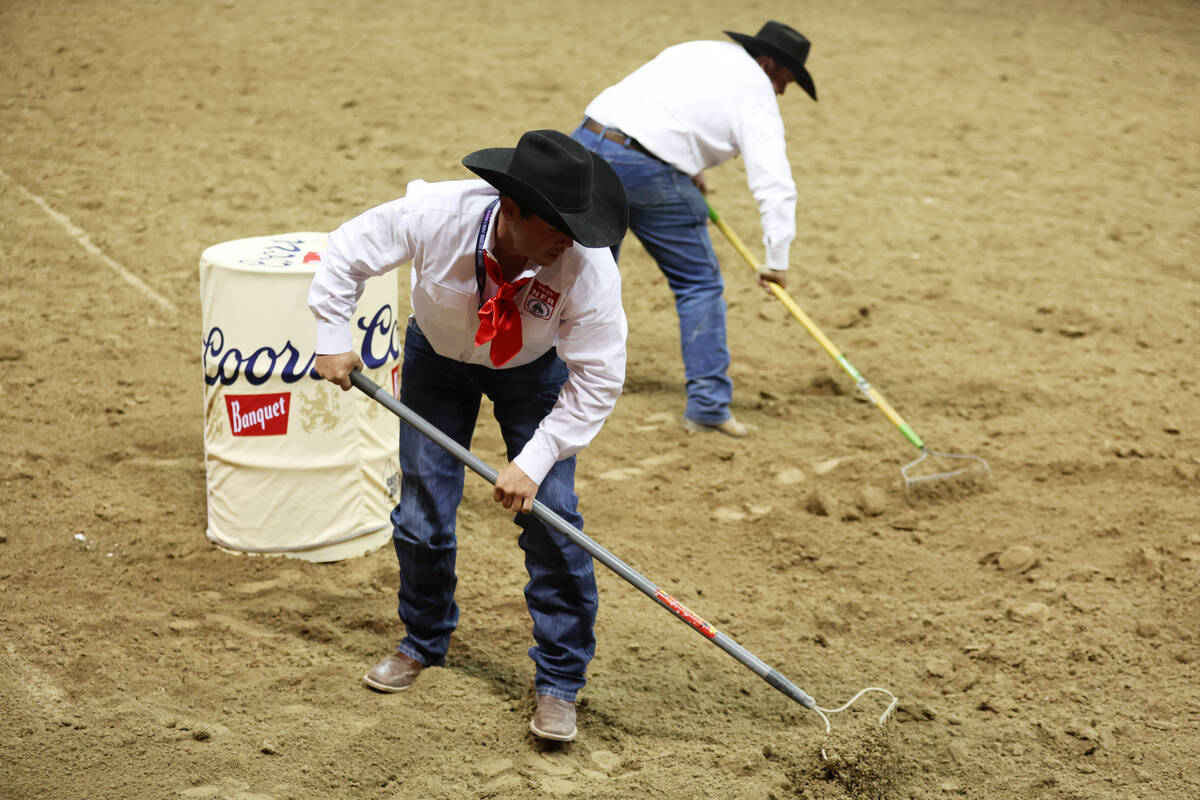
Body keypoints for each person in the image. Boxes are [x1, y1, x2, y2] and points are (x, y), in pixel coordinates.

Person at [307, 129, 629, 743]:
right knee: (422, 513)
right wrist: (331, 336)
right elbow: (347, 251)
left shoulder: (588, 267)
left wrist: (534, 461)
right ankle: (422, 641)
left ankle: (559, 681)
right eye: (560, 222)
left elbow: (598, 380)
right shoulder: (433, 216)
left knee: (553, 515)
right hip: (437, 362)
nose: (573, 236)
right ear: (512, 209)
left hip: (534, 374)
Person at [570, 20, 817, 438]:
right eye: (784, 80)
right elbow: (773, 182)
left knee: (586, 270)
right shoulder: (757, 94)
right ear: (768, 64)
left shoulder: (696, 50)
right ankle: (707, 406)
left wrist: (689, 164)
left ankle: (556, 377)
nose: (781, 91)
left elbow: (668, 108)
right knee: (699, 283)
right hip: (645, 169)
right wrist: (776, 260)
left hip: (584, 144)